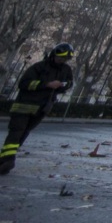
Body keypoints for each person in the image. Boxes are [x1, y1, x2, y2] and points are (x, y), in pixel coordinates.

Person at [1, 42, 74, 175]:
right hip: (24, 105)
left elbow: (69, 84)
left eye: (65, 59)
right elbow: (23, 84)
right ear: (53, 55)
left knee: (23, 133)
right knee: (16, 132)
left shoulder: (65, 70)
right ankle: (7, 160)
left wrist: (62, 85)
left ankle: (6, 158)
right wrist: (46, 85)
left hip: (42, 108)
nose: (62, 61)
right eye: (60, 58)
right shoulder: (39, 67)